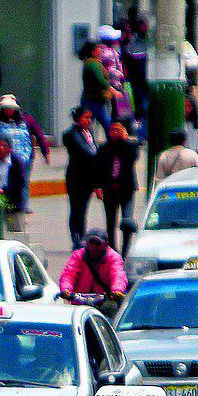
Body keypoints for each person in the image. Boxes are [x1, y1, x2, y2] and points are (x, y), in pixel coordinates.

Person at [59, 232, 128, 315]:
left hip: (104, 300)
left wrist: (117, 290)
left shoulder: (113, 257)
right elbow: (68, 274)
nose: (94, 247)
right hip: (80, 301)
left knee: (110, 310)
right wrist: (66, 289)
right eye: (91, 243)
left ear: (105, 244)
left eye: (98, 244)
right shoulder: (78, 256)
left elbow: (118, 275)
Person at [62, 106, 100, 249]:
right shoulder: (71, 134)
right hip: (76, 178)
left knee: (83, 209)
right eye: (86, 117)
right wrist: (101, 156)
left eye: (90, 118)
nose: (89, 121)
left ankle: (82, 237)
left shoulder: (88, 133)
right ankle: (76, 238)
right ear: (78, 118)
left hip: (88, 178)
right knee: (76, 208)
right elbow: (88, 152)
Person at [98, 122, 138, 252]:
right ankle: (112, 249)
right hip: (109, 190)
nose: (115, 133)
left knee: (127, 221)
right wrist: (98, 186)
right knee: (111, 222)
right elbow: (97, 168)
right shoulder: (104, 147)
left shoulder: (129, 145)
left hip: (127, 189)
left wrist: (125, 139)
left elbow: (134, 157)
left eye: (118, 130)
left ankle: (125, 249)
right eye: (112, 130)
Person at [0, 94, 36, 213]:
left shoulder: (21, 123)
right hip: (5, 158)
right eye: (6, 108)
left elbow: (27, 140)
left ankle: (23, 206)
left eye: (11, 108)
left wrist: (25, 157)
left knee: (23, 182)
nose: (9, 111)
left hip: (21, 158)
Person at [80, 42, 117, 131]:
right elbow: (100, 80)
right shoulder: (93, 64)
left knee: (104, 122)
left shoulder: (92, 63)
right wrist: (113, 90)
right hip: (93, 100)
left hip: (95, 99)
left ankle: (111, 138)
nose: (100, 50)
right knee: (90, 123)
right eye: (98, 49)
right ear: (93, 51)